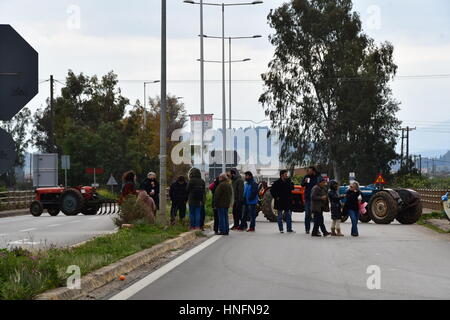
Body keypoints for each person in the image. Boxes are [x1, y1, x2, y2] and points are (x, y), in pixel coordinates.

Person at [301, 166, 320, 234]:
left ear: (313, 171)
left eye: (309, 170)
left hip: (316, 198)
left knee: (316, 214)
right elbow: (302, 185)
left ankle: (316, 229)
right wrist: (305, 182)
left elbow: (322, 185)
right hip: (308, 198)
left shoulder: (318, 176)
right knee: (307, 214)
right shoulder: (307, 176)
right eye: (308, 171)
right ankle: (307, 229)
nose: (308, 172)